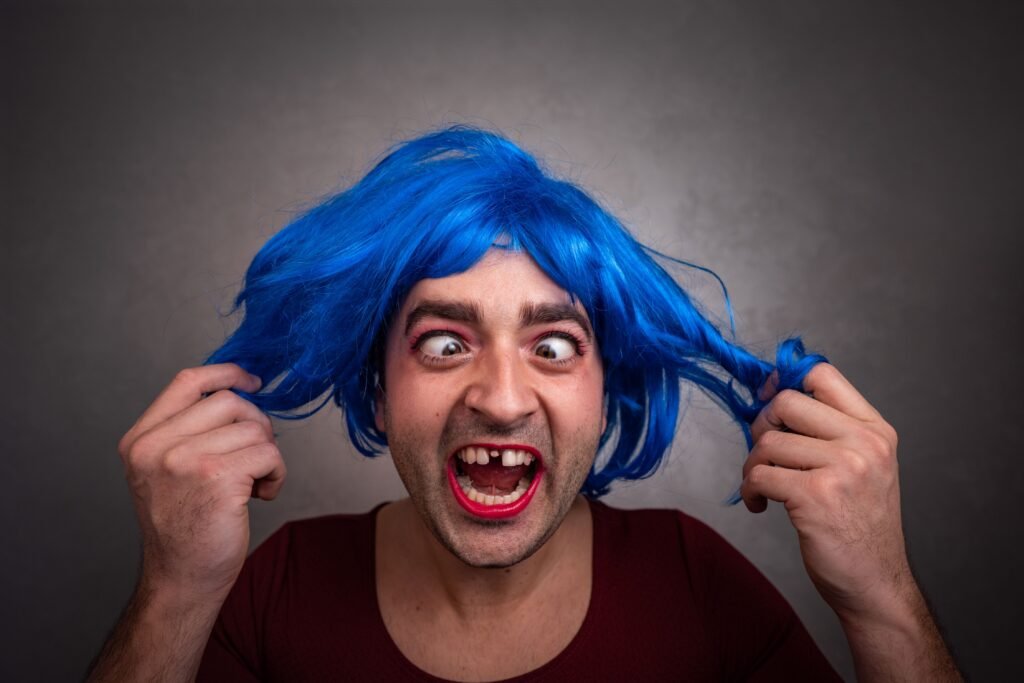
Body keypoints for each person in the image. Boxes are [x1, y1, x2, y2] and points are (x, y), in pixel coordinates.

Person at [90, 126, 959, 681]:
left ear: (604, 386)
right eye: (443, 343)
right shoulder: (274, 592)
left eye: (552, 346)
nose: (503, 399)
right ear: (377, 391)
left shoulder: (696, 586)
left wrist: (882, 593)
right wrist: (173, 592)